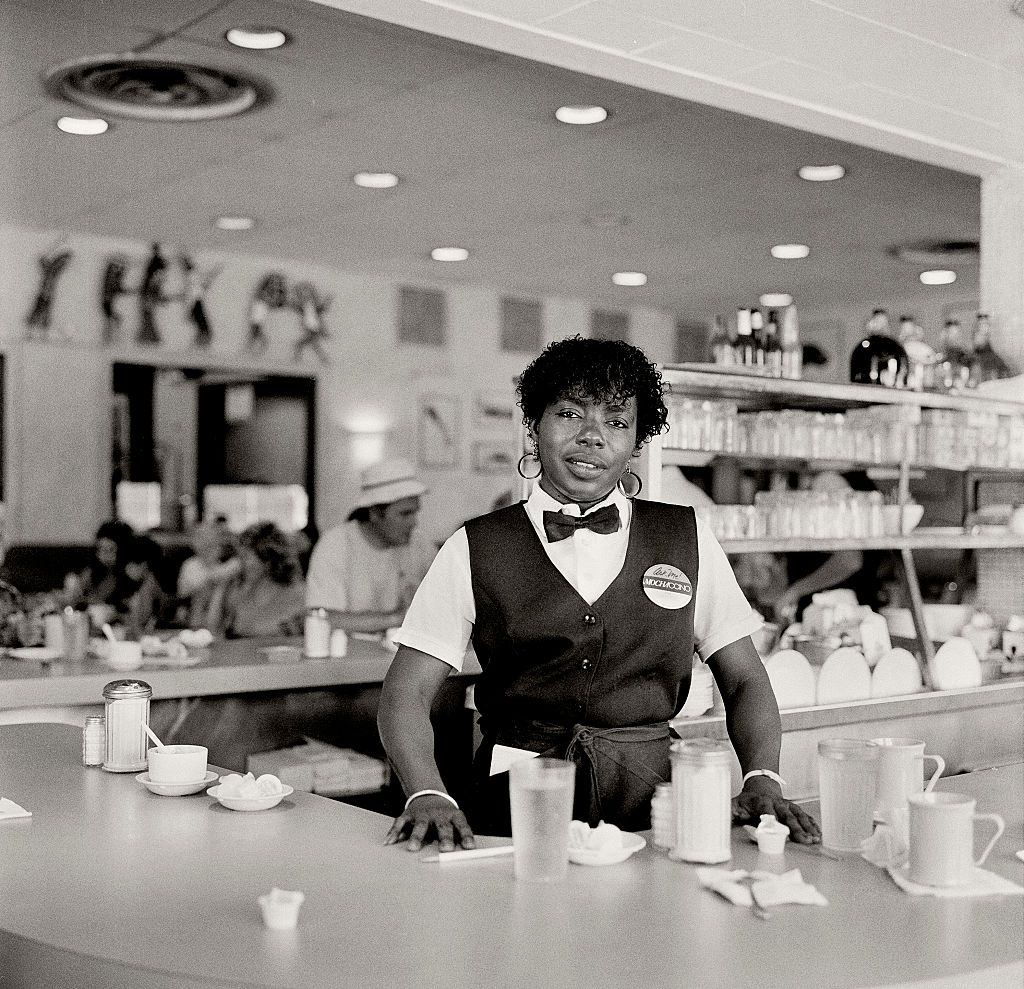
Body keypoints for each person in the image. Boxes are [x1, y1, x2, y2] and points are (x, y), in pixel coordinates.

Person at [379, 336, 820, 852]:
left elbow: (744, 678)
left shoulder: (685, 537)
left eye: (615, 421)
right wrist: (426, 791)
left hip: (655, 810)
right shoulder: (475, 546)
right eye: (570, 414)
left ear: (636, 442)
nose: (592, 437)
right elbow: (406, 694)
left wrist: (762, 776)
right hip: (518, 805)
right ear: (535, 426)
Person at [305, 458, 436, 633]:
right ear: (374, 513)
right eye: (405, 514)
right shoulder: (335, 545)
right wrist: (398, 618)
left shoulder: (420, 544)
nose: (414, 523)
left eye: (415, 512)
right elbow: (321, 619)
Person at [205, 521, 305, 638]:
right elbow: (213, 631)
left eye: (246, 557)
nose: (239, 564)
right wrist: (221, 587)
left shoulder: (297, 593)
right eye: (240, 557)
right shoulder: (237, 591)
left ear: (267, 561)